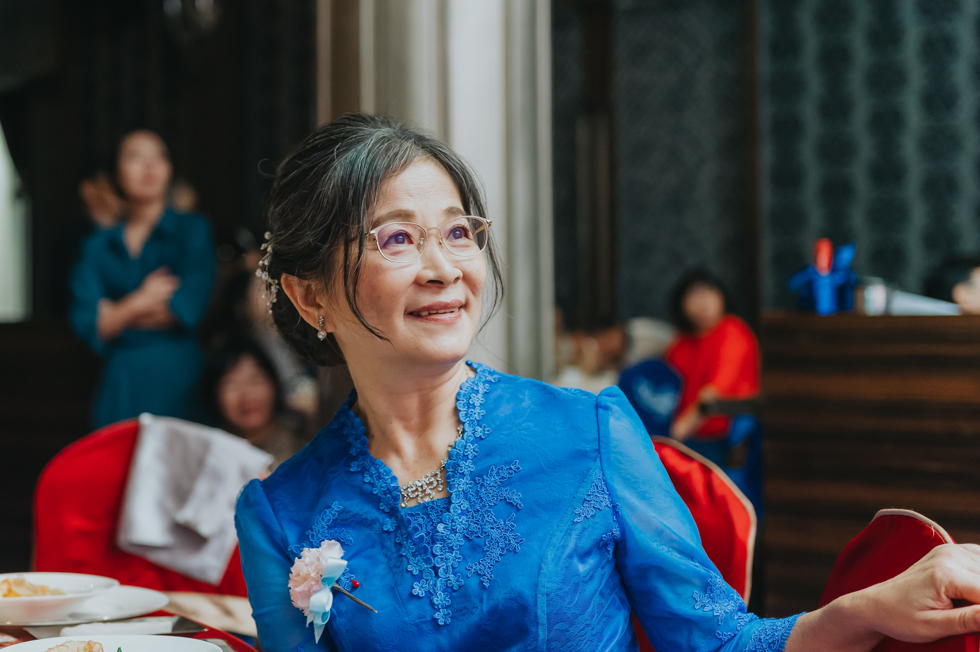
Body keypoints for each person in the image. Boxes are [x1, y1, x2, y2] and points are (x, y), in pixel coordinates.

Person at [234, 114, 980, 652]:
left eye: (459, 232)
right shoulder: (280, 513)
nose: (444, 268)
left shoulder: (590, 431)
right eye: (397, 238)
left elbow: (719, 642)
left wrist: (863, 611)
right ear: (310, 296)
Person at [70, 129, 216, 427]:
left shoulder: (193, 230)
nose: (149, 166)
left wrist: (115, 313)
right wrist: (142, 300)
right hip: (121, 380)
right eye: (135, 157)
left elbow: (189, 307)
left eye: (159, 156)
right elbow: (89, 324)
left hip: (179, 376)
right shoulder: (97, 246)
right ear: (115, 173)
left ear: (169, 169)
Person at [665, 270, 759, 453]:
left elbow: (714, 392)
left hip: (725, 435)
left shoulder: (732, 330)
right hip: (687, 434)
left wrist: (675, 434)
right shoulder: (681, 343)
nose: (703, 302)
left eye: (708, 292)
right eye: (694, 295)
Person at [203, 338, 306, 470]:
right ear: (215, 395)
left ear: (274, 384)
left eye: (255, 381)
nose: (247, 396)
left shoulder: (305, 446)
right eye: (232, 386)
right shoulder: (209, 459)